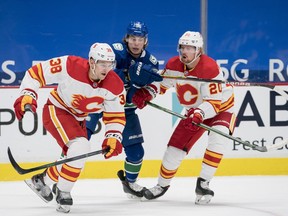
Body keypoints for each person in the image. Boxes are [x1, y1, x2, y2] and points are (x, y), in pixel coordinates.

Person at [13, 42, 126, 213]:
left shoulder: (115, 86)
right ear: (92, 61)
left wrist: (113, 136)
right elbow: (36, 73)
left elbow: (116, 115)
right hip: (57, 109)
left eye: (110, 64)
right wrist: (28, 94)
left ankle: (42, 180)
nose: (106, 68)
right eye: (103, 63)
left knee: (76, 154)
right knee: (81, 147)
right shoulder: (70, 65)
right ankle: (63, 191)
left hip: (78, 118)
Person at [132, 31, 236, 204]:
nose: (185, 51)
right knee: (174, 148)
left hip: (220, 109)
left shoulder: (209, 68)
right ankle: (162, 185)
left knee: (218, 141)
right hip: (195, 112)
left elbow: (214, 104)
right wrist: (148, 92)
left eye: (190, 48)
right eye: (183, 47)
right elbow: (162, 83)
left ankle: (203, 184)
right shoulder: (174, 64)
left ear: (198, 50)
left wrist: (199, 114)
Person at [86, 21, 162, 199]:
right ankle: (56, 174)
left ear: (145, 41)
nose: (136, 42)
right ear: (126, 39)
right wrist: (128, 74)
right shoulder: (115, 52)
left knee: (136, 152)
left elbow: (156, 85)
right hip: (99, 102)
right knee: (81, 137)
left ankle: (130, 183)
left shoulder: (151, 61)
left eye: (140, 39)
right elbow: (102, 75)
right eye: (132, 38)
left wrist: (146, 94)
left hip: (124, 110)